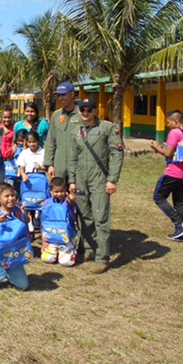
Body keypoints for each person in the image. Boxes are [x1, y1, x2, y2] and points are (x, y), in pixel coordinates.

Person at [68, 97, 124, 274]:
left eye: (89, 110)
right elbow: (72, 158)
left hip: (99, 178)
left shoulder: (107, 128)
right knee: (84, 216)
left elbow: (118, 153)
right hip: (81, 178)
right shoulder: (75, 131)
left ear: (95, 111)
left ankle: (102, 257)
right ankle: (89, 249)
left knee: (100, 217)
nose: (85, 113)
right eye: (82, 110)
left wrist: (112, 179)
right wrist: (72, 180)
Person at [149, 110, 183, 241]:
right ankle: (182, 232)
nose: (167, 125)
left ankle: (179, 224)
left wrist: (156, 147)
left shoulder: (174, 133)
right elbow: (182, 152)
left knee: (159, 197)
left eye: (168, 122)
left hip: (173, 172)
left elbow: (168, 154)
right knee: (179, 202)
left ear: (176, 121)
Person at [44, 82, 81, 182]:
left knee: (77, 194)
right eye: (59, 95)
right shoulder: (56, 115)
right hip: (59, 163)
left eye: (64, 94)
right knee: (60, 193)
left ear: (72, 95)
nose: (61, 98)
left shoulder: (82, 114)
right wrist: (49, 164)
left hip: (78, 163)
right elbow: (50, 141)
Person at [40, 177, 78, 266]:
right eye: (56, 192)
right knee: (46, 258)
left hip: (66, 238)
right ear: (50, 191)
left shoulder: (68, 202)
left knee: (66, 262)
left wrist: (72, 200)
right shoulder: (46, 203)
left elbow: (71, 202)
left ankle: (71, 249)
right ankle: (56, 250)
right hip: (51, 237)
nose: (59, 194)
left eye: (62, 191)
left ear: (66, 190)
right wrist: (43, 241)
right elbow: (43, 224)